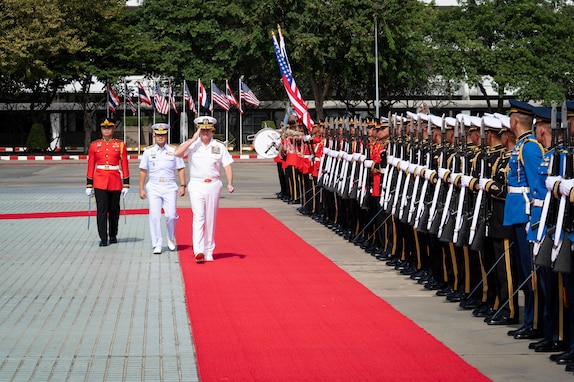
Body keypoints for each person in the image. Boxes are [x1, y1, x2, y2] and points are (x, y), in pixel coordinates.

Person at [174, 116, 234, 263]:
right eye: (202, 130)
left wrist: (230, 183)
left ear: (212, 131)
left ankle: (208, 251)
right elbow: (177, 153)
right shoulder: (193, 145)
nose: (205, 133)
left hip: (213, 184)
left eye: (208, 130)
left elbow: (227, 165)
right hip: (196, 184)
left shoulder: (219, 147)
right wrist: (193, 139)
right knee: (199, 216)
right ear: (199, 131)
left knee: (210, 218)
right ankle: (198, 250)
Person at [139, 123, 186, 255]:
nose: (160, 137)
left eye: (163, 135)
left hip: (169, 186)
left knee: (171, 215)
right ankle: (157, 243)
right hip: (153, 185)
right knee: (155, 216)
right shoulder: (148, 151)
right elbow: (143, 170)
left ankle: (170, 237)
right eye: (158, 135)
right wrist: (141, 188)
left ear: (166, 136)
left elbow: (180, 168)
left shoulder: (173, 150)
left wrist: (183, 185)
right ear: (154, 136)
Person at [85, 118, 130, 247]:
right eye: (104, 128)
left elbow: (125, 164)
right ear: (101, 129)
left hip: (115, 180)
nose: (106, 130)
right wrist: (89, 184)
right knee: (101, 210)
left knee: (114, 210)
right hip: (99, 181)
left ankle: (113, 235)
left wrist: (126, 183)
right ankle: (103, 238)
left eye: (109, 128)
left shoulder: (120, 145)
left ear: (113, 129)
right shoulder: (94, 145)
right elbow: (90, 165)